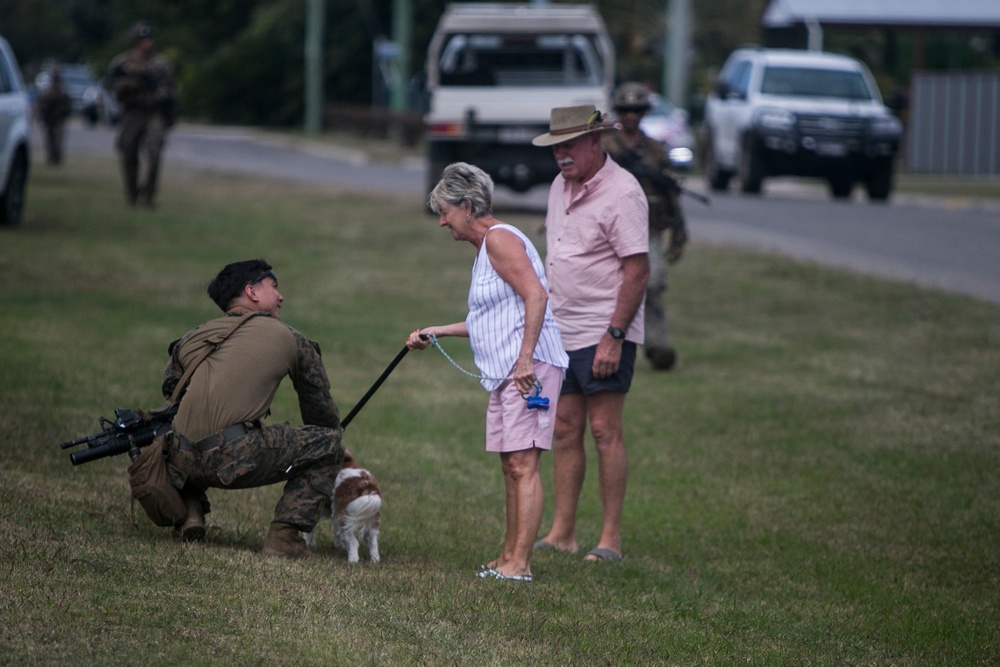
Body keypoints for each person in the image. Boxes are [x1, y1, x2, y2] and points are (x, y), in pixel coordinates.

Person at [406, 162, 569, 582]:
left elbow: (536, 294)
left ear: (467, 206)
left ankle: (520, 565)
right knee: (510, 465)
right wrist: (436, 330)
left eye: (445, 211)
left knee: (524, 464)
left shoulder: (499, 239)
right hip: (505, 373)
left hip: (528, 370)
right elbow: (488, 318)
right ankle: (507, 557)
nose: (441, 221)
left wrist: (526, 360)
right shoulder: (485, 250)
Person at [161, 259, 345, 559]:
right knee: (329, 444)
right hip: (233, 458)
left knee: (180, 434)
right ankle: (284, 538)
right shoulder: (291, 338)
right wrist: (327, 442)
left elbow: (171, 390)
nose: (281, 296)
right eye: (274, 287)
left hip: (178, 459)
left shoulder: (193, 336)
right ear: (252, 292)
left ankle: (190, 511)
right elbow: (320, 414)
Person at [531, 105, 649, 563]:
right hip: (561, 328)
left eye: (570, 145)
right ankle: (562, 532)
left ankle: (610, 539)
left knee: (604, 430)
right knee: (564, 428)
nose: (562, 155)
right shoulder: (559, 187)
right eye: (556, 146)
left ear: (596, 142)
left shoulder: (624, 193)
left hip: (604, 328)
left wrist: (614, 335)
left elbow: (637, 270)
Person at [603, 82, 688, 371]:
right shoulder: (604, 147)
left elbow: (670, 193)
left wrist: (678, 230)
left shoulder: (655, 150)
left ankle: (656, 343)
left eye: (637, 110)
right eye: (625, 110)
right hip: (605, 229)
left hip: (645, 227)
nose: (630, 115)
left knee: (651, 284)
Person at [106, 21, 177, 207]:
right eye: (143, 39)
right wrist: (127, 87)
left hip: (154, 111)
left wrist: (156, 96)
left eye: (149, 39)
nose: (148, 43)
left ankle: (149, 194)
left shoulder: (160, 65)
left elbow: (169, 89)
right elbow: (111, 84)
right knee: (128, 151)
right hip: (132, 112)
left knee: (154, 152)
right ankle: (131, 193)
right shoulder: (122, 62)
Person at [35, 67, 72, 166]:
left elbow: (66, 106)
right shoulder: (52, 92)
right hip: (50, 119)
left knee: (56, 140)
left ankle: (55, 158)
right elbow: (42, 105)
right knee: (52, 139)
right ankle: (53, 157)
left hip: (57, 119)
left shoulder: (59, 92)